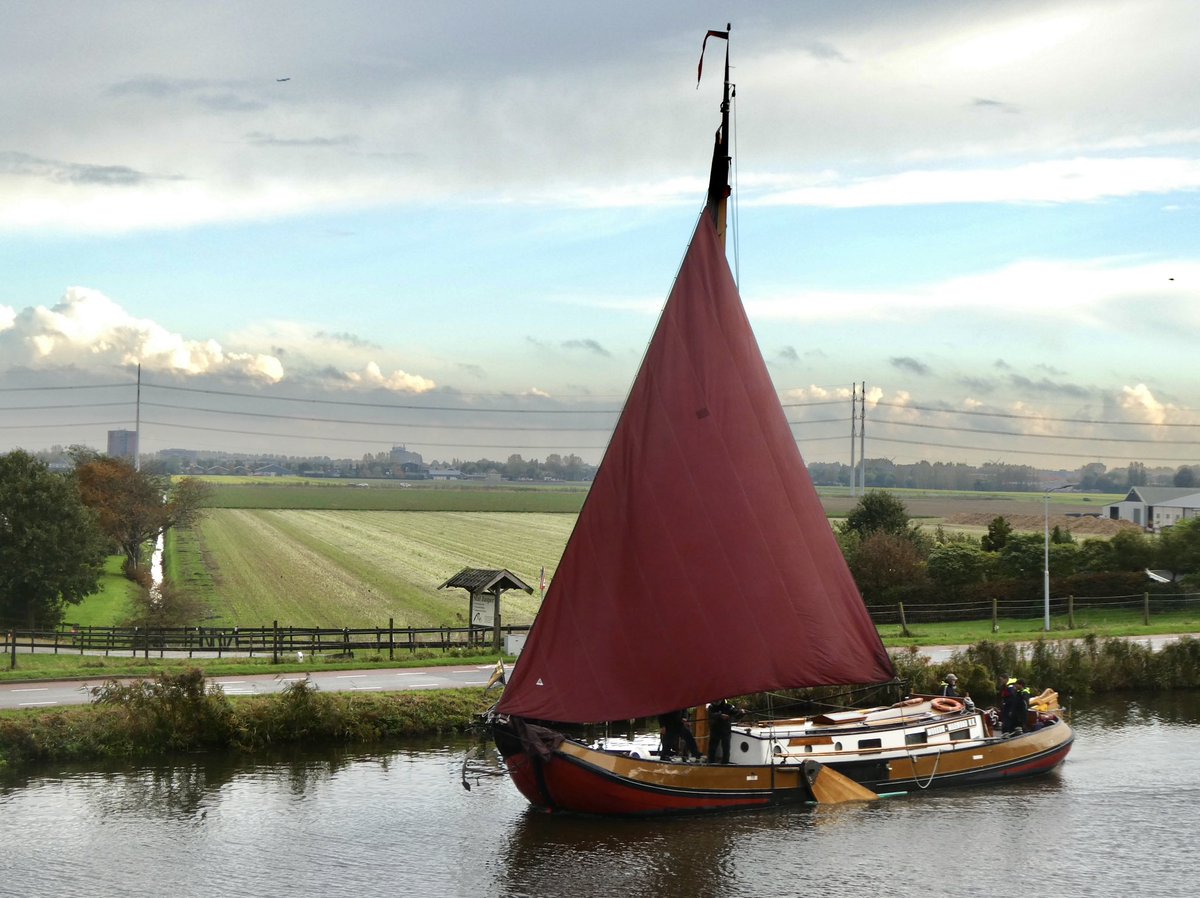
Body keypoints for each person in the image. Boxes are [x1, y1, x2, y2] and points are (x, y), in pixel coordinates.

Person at [706, 698, 744, 764]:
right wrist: (720, 716)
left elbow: (736, 714)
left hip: (725, 731)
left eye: (718, 700)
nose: (716, 701)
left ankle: (725, 763)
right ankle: (711, 763)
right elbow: (711, 715)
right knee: (712, 749)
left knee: (726, 749)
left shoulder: (729, 707)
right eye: (715, 700)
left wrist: (741, 713)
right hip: (715, 730)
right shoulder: (711, 707)